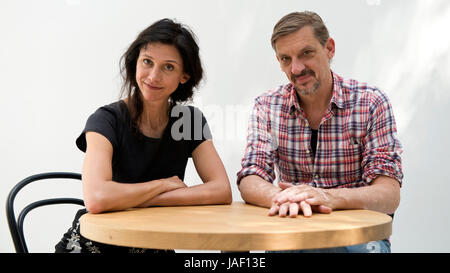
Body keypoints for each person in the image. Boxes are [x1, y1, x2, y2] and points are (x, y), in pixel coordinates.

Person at [55, 18, 232, 253]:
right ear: (135, 63)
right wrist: (164, 185)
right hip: (95, 245)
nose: (153, 76)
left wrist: (136, 199)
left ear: (184, 76)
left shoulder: (188, 120)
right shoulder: (106, 119)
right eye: (147, 62)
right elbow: (97, 198)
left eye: (168, 67)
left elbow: (221, 190)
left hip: (154, 245)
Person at [237, 11, 403, 253]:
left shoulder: (371, 102)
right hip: (293, 233)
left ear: (330, 49)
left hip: (354, 236)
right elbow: (251, 176)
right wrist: (283, 198)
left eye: (306, 53)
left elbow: (388, 194)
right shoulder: (267, 106)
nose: (296, 68)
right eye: (286, 59)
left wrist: (329, 197)